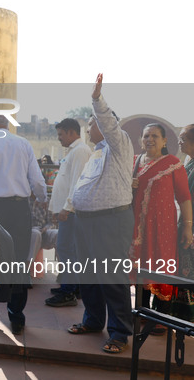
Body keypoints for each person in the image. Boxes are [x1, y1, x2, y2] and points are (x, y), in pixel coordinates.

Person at [67, 73, 134, 354]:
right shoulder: (97, 152)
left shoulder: (119, 144)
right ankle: (93, 321)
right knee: (89, 275)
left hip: (111, 220)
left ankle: (119, 332)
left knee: (112, 277)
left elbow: (107, 122)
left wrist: (96, 100)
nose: (89, 128)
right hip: (87, 221)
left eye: (91, 123)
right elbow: (84, 185)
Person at [0, 115, 48, 334]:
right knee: (19, 261)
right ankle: (17, 317)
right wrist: (42, 199)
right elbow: (38, 180)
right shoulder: (23, 143)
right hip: (20, 209)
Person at [131, 123, 192, 334]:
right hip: (138, 228)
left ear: (165, 140)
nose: (150, 139)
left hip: (163, 229)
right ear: (141, 140)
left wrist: (187, 227)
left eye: (155, 136)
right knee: (140, 264)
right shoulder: (134, 163)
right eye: (146, 135)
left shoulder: (174, 164)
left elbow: (184, 199)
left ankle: (160, 318)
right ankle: (142, 312)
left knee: (161, 265)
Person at [45, 118, 91, 307]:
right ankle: (72, 285)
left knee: (66, 249)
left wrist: (66, 208)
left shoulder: (80, 151)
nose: (59, 139)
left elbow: (76, 183)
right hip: (67, 210)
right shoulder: (73, 151)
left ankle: (69, 291)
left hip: (71, 211)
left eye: (61, 134)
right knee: (68, 249)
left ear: (72, 132)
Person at [173, 124, 194, 321]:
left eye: (184, 138)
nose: (180, 141)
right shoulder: (187, 162)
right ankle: (179, 317)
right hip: (183, 224)